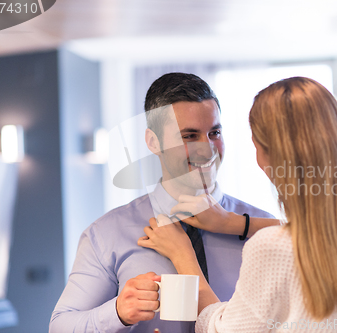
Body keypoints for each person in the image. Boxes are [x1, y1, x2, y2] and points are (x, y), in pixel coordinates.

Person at [139, 77, 337, 332]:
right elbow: (331, 227)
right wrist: (234, 223)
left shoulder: (272, 248)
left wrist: (183, 256)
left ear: (269, 157)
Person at [49, 73, 275, 333]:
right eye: (189, 136)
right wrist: (117, 312)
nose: (208, 149)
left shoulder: (264, 232)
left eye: (214, 132)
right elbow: (60, 327)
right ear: (153, 142)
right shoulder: (106, 234)